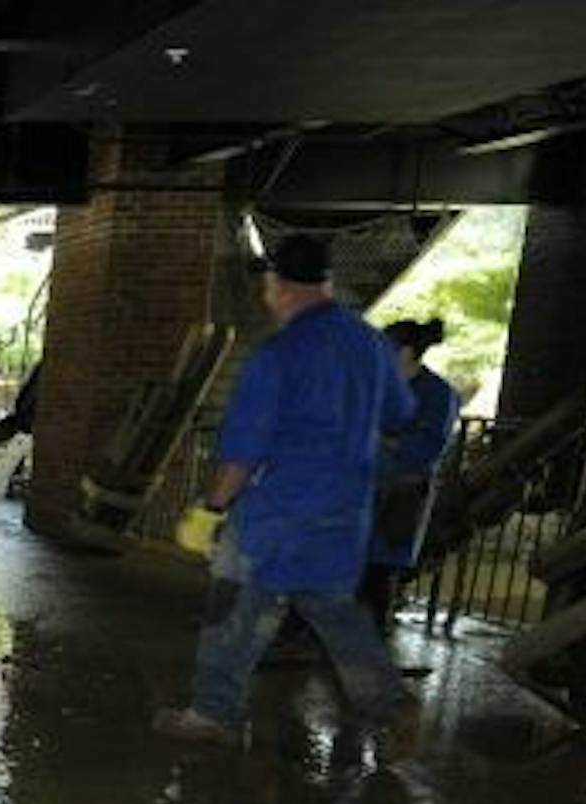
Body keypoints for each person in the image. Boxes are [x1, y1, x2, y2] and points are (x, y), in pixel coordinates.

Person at [156, 235, 417, 749]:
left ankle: (213, 712)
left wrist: (211, 510)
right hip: (344, 513)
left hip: (276, 516)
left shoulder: (277, 355)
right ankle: (391, 707)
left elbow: (244, 449)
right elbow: (400, 414)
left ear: (278, 287)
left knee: (232, 609)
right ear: (327, 282)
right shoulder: (371, 344)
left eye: (268, 285)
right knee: (335, 613)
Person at [360, 317, 458, 630]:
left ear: (404, 352)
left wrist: (380, 440)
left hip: (401, 495)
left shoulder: (438, 394)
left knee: (380, 568)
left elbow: (425, 449)